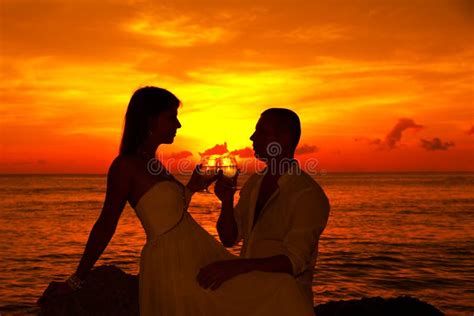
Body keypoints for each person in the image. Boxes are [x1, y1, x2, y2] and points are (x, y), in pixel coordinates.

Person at [47, 87, 314, 315]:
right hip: (172, 260)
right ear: (151, 120)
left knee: (277, 289)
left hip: (192, 251)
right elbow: (106, 223)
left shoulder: (154, 165)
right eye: (172, 117)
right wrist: (76, 279)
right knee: (274, 291)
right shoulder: (125, 166)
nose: (178, 124)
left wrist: (193, 188)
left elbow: (169, 211)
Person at [198, 108, 330, 304]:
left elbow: (294, 262)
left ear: (284, 139)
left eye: (261, 132)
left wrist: (234, 268)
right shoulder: (255, 182)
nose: (252, 137)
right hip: (252, 297)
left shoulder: (307, 194)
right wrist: (226, 200)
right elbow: (229, 238)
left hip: (286, 303)